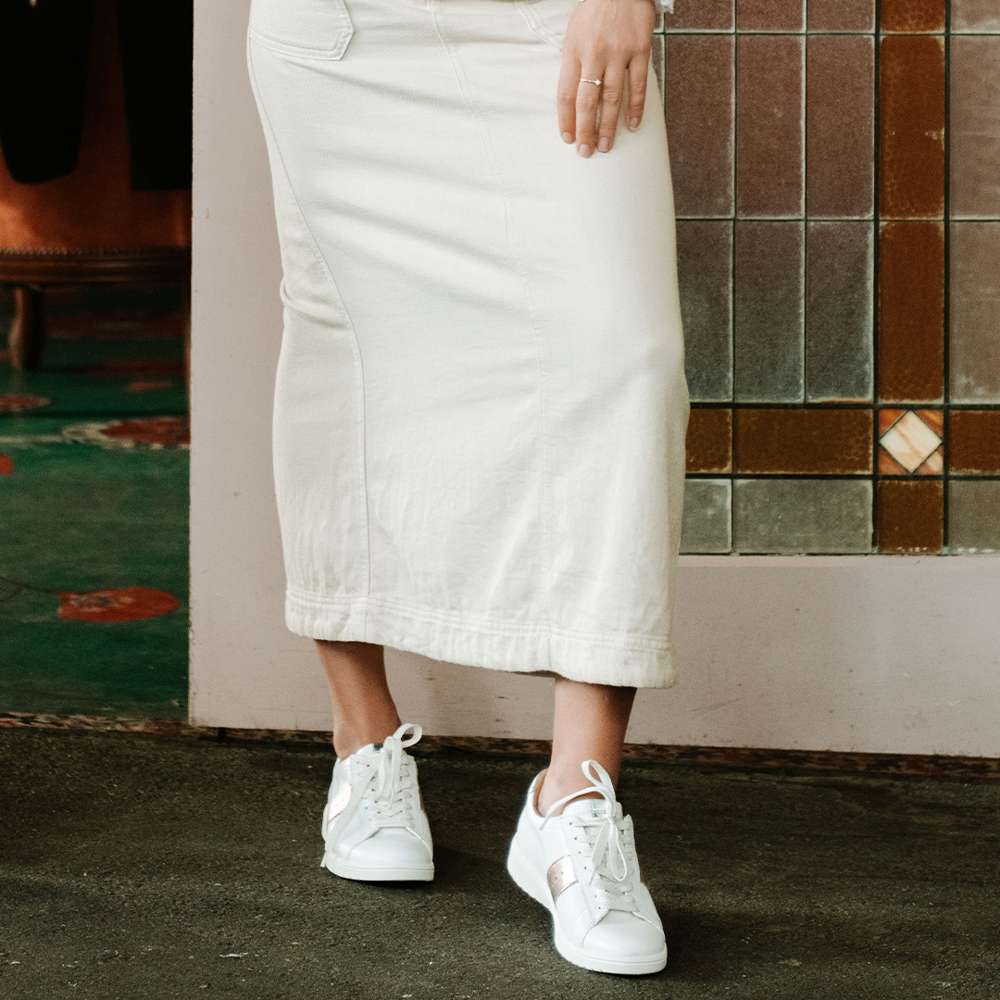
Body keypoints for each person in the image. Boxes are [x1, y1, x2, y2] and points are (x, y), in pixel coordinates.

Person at [246, 0, 686, 976]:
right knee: (349, 349)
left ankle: (575, 797)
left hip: (544, 17)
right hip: (342, 38)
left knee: (626, 356)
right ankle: (364, 742)